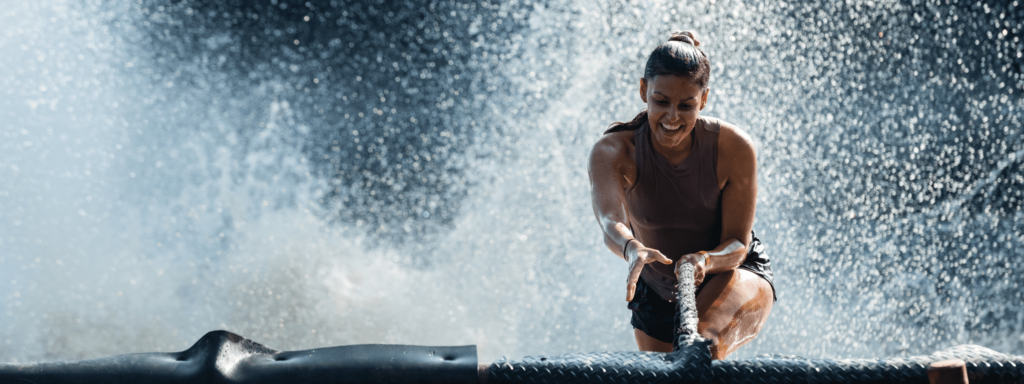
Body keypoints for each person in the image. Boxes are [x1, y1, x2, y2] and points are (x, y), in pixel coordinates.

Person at [588, 31, 776, 359]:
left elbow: (736, 244)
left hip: (732, 271)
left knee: (699, 351)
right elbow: (610, 220)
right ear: (643, 90)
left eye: (686, 105)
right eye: (661, 102)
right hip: (653, 291)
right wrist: (631, 248)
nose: (672, 117)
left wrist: (704, 260)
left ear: (703, 100)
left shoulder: (734, 147)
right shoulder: (613, 151)